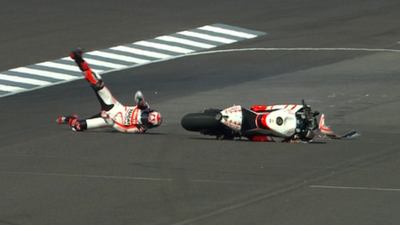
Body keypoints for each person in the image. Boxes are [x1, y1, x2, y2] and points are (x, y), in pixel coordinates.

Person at [56, 48, 162, 133]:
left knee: (78, 126)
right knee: (98, 84)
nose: (142, 118)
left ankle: (70, 119)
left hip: (108, 120)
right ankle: (78, 58)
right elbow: (139, 100)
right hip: (114, 106)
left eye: (145, 120)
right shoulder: (145, 108)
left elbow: (124, 129)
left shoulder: (140, 129)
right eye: (145, 116)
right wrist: (140, 98)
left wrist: (109, 120)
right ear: (149, 112)